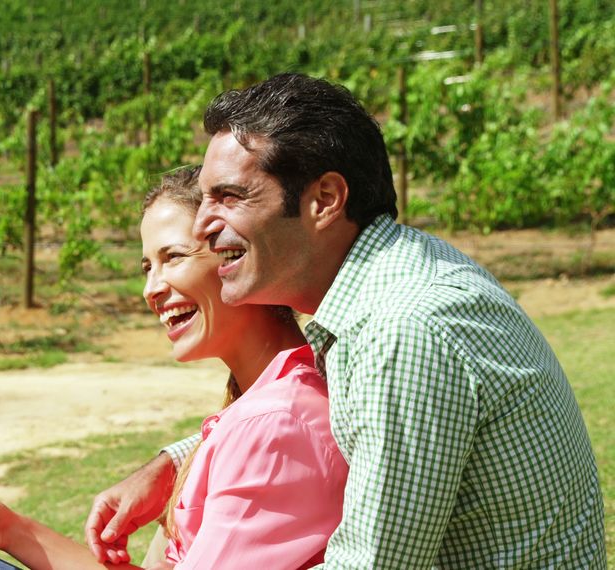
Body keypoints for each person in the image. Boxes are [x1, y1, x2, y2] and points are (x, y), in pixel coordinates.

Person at [84, 73, 607, 568]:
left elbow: (373, 563)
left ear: (325, 201)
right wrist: (172, 464)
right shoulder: (386, 285)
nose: (203, 222)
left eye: (229, 197)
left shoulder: (402, 327)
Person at [0, 167, 349, 569]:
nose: (151, 288)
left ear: (235, 258)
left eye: (172, 257)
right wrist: (11, 530)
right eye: (147, 266)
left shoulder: (273, 423)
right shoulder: (259, 399)